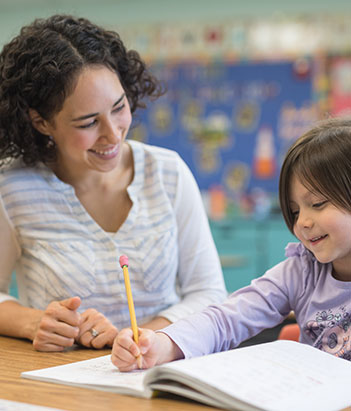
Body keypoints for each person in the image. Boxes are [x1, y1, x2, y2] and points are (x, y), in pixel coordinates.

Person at [0, 15, 227, 352]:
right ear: (42, 122)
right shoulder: (12, 188)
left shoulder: (168, 173)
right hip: (61, 384)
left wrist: (139, 336)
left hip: (159, 371)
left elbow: (209, 294)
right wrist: (33, 321)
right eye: (88, 122)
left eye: (119, 107)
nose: (112, 133)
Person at [112, 117, 351, 370]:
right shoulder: (302, 271)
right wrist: (163, 344)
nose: (302, 222)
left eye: (317, 204)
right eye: (294, 212)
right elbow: (227, 318)